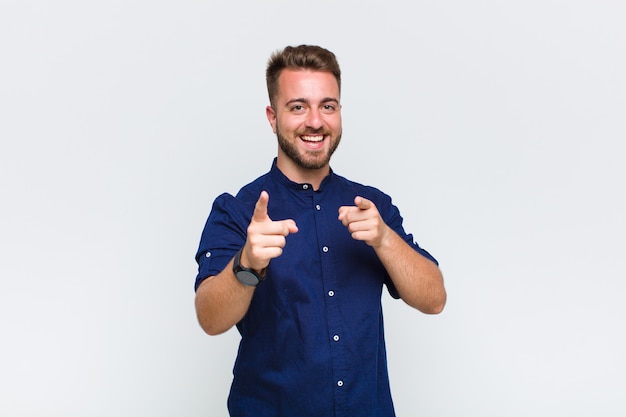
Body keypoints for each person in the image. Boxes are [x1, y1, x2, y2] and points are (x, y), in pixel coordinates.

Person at [194, 44, 446, 417]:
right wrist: (246, 263)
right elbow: (210, 319)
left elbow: (434, 298)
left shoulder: (372, 207)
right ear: (272, 116)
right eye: (298, 107)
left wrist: (385, 239)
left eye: (327, 106)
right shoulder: (238, 210)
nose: (315, 121)